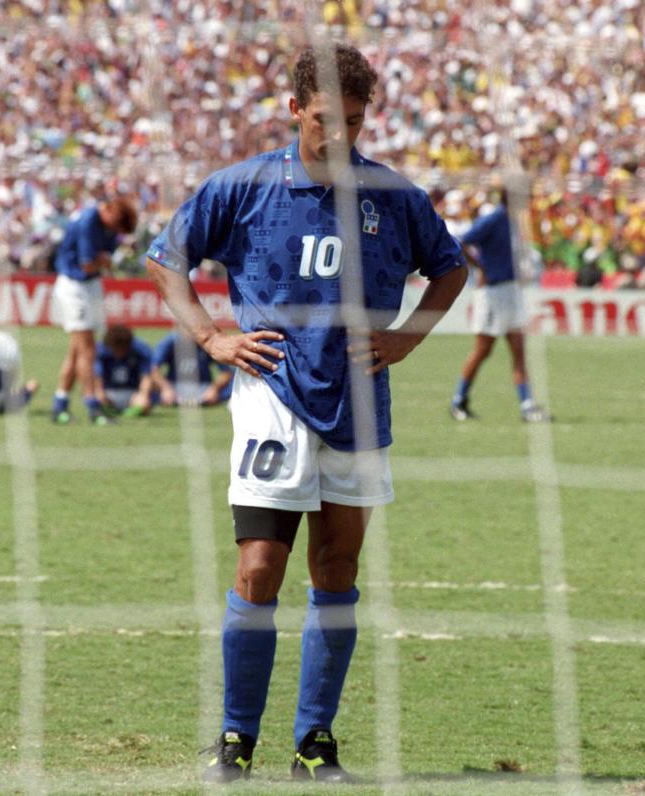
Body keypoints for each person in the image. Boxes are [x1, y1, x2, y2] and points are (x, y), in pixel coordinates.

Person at [146, 45, 467, 783]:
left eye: (354, 121)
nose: (340, 135)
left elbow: (451, 268)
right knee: (260, 566)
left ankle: (314, 743)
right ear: (295, 110)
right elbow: (168, 256)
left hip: (358, 403)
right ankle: (235, 739)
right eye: (326, 120)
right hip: (272, 399)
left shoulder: (395, 197)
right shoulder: (245, 185)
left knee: (337, 566)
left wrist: (409, 336)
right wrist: (208, 335)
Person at [449, 192, 552, 423]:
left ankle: (527, 407)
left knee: (519, 349)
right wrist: (480, 267)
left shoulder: (514, 220)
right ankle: (458, 400)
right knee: (482, 350)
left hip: (511, 291)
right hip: (493, 293)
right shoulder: (494, 219)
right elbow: (461, 242)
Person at [49, 196, 137, 426]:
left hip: (91, 285)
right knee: (87, 350)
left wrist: (103, 260)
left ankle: (59, 405)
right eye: (114, 225)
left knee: (77, 351)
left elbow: (103, 261)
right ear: (109, 212)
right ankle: (93, 407)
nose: (113, 230)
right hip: (74, 285)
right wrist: (103, 260)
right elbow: (88, 263)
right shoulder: (88, 221)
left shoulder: (108, 224)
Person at [150, 330, 234, 407]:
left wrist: (214, 389)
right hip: (174, 386)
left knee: (233, 385)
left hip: (203, 387)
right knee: (149, 386)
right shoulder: (170, 342)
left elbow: (226, 372)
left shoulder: (207, 343)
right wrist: (166, 388)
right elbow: (154, 369)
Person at [93, 324, 154, 417]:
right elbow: (96, 376)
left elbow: (146, 377)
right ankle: (109, 410)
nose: (118, 351)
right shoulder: (100, 351)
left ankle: (126, 413)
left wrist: (144, 394)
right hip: (108, 392)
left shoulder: (141, 350)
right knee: (96, 399)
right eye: (115, 348)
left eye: (121, 348)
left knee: (144, 404)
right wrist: (100, 392)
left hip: (132, 393)